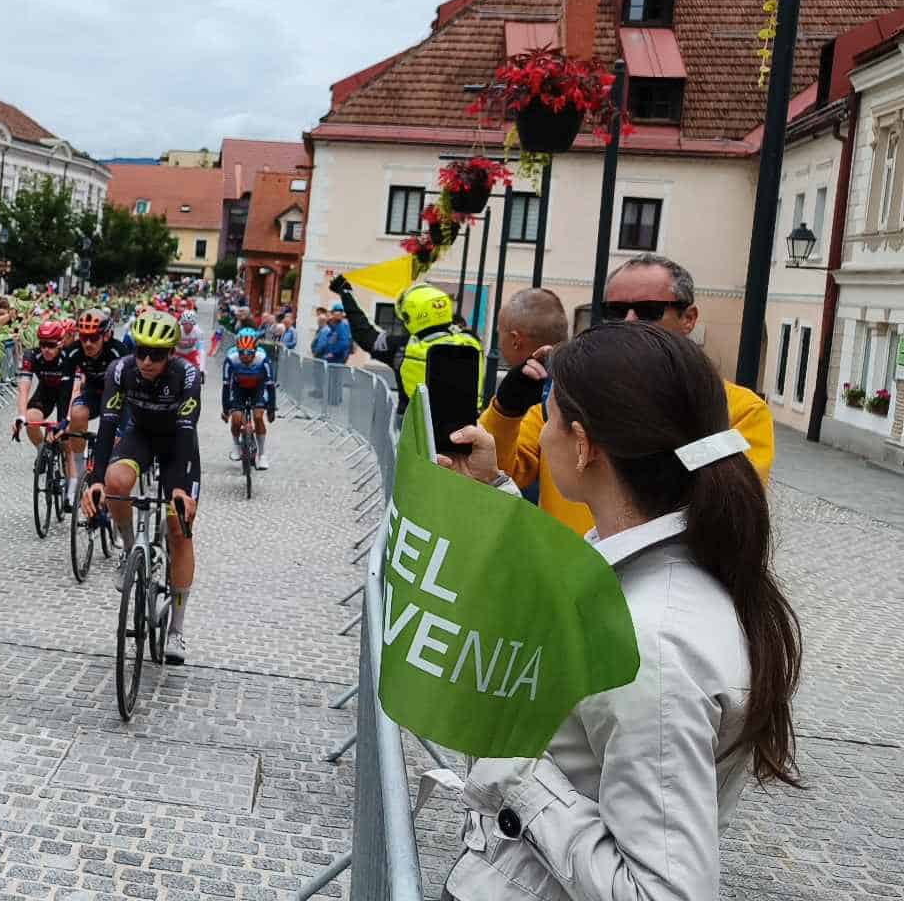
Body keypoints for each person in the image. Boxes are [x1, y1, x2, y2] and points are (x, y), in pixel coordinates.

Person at [433, 322, 802, 901]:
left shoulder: (650, 647)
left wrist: (521, 776)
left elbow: (661, 893)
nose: (541, 432)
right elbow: (572, 590)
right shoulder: (666, 564)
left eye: (547, 416)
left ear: (582, 445)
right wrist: (493, 489)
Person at [482, 255, 774, 536]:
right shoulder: (568, 396)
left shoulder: (740, 409)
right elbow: (505, 471)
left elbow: (730, 509)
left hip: (656, 578)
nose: (629, 321)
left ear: (689, 318)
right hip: (565, 577)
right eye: (616, 310)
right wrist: (506, 411)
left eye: (648, 310)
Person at [80, 310, 203, 665]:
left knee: (180, 530)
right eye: (143, 351)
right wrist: (97, 481)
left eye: (158, 354)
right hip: (141, 437)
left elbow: (185, 431)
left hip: (178, 446)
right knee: (117, 483)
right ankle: (130, 548)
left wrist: (179, 488)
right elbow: (108, 426)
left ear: (171, 354)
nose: (148, 360)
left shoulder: (187, 376)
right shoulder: (121, 370)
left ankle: (177, 629)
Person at [334, 278, 482, 410]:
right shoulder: (471, 342)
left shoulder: (402, 347)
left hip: (415, 431)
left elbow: (364, 334)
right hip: (465, 430)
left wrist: (345, 294)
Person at [64, 308, 127, 508]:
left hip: (119, 396)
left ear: (105, 336)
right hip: (93, 393)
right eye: (83, 338)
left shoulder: (118, 351)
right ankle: (79, 474)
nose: (88, 344)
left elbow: (128, 387)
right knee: (76, 414)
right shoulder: (74, 350)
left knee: (115, 438)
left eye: (93, 338)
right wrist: (62, 421)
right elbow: (65, 390)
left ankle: (110, 482)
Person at [14, 318, 79, 493]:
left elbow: (75, 391)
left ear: (60, 343)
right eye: (42, 345)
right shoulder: (32, 356)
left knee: (66, 442)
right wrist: (20, 416)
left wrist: (67, 420)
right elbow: (23, 389)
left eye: (50, 345)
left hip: (66, 394)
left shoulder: (70, 357)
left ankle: (71, 492)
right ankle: (42, 451)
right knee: (30, 418)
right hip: (46, 392)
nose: (46, 350)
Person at [221, 327, 277, 470]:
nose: (245, 357)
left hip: (258, 387)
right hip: (239, 388)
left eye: (249, 353)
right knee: (236, 419)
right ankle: (236, 445)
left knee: (258, 416)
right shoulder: (230, 359)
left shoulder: (263, 359)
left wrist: (271, 409)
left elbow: (270, 386)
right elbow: (226, 386)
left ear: (255, 351)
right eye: (241, 353)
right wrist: (225, 409)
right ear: (237, 350)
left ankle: (262, 455)